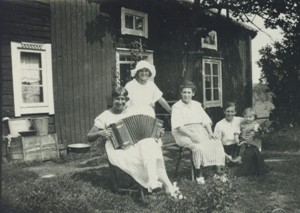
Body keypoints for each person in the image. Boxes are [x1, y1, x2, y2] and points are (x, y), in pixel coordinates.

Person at [87, 87, 183, 199]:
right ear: (112, 100)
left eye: (123, 99)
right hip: (117, 149)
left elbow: (145, 129)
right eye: (117, 99)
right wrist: (101, 132)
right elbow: (89, 136)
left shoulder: (130, 112)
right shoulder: (105, 115)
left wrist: (157, 132)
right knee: (149, 155)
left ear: (126, 100)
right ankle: (168, 187)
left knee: (149, 143)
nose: (120, 102)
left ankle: (154, 182)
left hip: (134, 145)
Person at [171, 80, 227, 184]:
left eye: (189, 92)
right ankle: (199, 174)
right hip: (183, 133)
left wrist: (210, 132)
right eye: (184, 92)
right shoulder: (176, 107)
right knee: (198, 146)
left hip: (199, 130)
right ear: (181, 93)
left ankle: (218, 171)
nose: (186, 95)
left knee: (216, 142)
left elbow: (205, 121)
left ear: (193, 94)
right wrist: (191, 135)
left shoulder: (197, 105)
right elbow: (179, 127)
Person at [233, 108, 267, 176]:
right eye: (246, 117)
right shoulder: (242, 124)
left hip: (252, 140)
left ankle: (240, 159)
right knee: (241, 147)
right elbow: (239, 131)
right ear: (244, 117)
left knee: (247, 148)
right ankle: (240, 159)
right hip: (244, 140)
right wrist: (237, 137)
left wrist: (258, 130)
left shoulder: (255, 125)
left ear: (254, 117)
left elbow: (258, 133)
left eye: (250, 117)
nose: (248, 119)